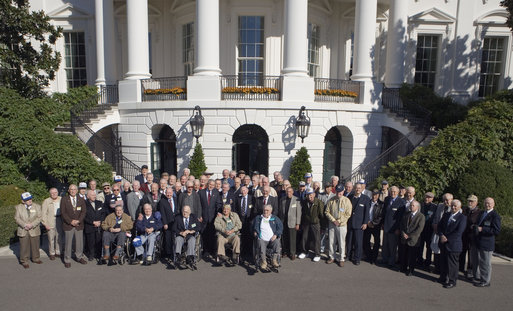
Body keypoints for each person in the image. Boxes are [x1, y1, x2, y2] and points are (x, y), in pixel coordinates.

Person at [438, 199, 467, 288]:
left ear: (459, 207)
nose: (453, 207)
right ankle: (443, 277)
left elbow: (459, 232)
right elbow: (440, 226)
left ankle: (452, 281)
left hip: (454, 244)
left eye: (455, 206)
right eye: (452, 205)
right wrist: (441, 235)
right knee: (443, 261)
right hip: (443, 243)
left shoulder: (462, 218)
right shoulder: (446, 215)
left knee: (452, 264)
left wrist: (447, 238)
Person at [474, 197, 501, 287]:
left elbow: (496, 230)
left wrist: (483, 229)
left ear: (493, 204)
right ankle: (480, 277)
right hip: (479, 241)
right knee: (480, 262)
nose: (487, 205)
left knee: (485, 263)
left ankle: (485, 281)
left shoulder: (495, 216)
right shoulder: (482, 213)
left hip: (487, 243)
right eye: (486, 203)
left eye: (489, 203)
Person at [61, 184, 88, 268]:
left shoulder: (81, 199)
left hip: (79, 224)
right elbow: (63, 212)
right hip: (68, 225)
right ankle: (67, 259)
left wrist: (78, 221)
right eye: (71, 189)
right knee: (68, 243)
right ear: (69, 190)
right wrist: (70, 221)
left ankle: (79, 257)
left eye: (74, 189)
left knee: (79, 242)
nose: (73, 191)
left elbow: (83, 212)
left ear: (77, 190)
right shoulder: (64, 199)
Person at [325, 185, 352, 267]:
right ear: (335, 191)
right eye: (337, 191)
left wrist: (339, 221)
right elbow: (327, 212)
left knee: (341, 242)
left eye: (340, 191)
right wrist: (333, 220)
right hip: (332, 224)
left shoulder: (347, 201)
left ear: (343, 191)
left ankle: (341, 259)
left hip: (342, 225)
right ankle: (332, 257)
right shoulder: (331, 200)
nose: (339, 193)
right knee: (331, 242)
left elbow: (348, 214)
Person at [15, 192, 42, 268]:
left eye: (30, 198)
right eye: (27, 200)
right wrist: (24, 225)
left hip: (34, 229)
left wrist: (32, 225)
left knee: (35, 245)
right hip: (23, 230)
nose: (30, 200)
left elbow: (39, 217)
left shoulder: (37, 206)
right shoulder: (18, 207)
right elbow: (17, 218)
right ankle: (24, 261)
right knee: (24, 247)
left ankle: (36, 258)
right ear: (23, 201)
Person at [381, 186, 406, 267]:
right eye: (391, 191)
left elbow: (401, 218)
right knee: (385, 244)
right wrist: (382, 223)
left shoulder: (401, 202)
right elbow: (384, 212)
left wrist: (398, 228)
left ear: (398, 192)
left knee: (392, 246)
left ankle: (391, 261)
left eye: (395, 191)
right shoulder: (387, 199)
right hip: (386, 225)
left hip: (394, 228)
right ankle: (384, 259)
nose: (393, 193)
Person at [253, 205, 283, 269]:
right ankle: (264, 262)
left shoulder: (275, 218)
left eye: (267, 210)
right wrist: (255, 232)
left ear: (271, 211)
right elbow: (253, 227)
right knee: (260, 244)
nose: (265, 212)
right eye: (264, 210)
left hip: (272, 239)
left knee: (277, 243)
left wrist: (276, 235)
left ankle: (274, 260)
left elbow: (280, 228)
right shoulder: (258, 218)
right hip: (262, 239)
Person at [399, 201, 425, 276]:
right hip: (404, 238)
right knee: (404, 254)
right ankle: (403, 267)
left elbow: (419, 229)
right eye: (411, 205)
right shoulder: (406, 214)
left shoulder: (421, 216)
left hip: (413, 239)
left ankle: (411, 270)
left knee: (412, 256)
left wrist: (409, 235)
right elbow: (402, 225)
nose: (411, 207)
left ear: (417, 207)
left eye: (413, 205)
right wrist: (403, 233)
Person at [347, 183, 370, 265]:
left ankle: (357, 258)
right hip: (350, 223)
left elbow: (367, 212)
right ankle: (348, 256)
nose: (357, 190)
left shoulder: (366, 199)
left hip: (359, 224)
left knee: (358, 243)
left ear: (362, 189)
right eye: (356, 188)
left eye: (359, 188)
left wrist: (365, 223)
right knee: (349, 241)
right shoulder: (349, 197)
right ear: (354, 188)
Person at [298, 188, 324, 262]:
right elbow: (303, 213)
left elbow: (322, 215)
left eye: (311, 195)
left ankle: (317, 254)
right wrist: (302, 223)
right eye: (308, 195)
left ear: (314, 194)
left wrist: (322, 226)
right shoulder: (305, 202)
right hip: (307, 223)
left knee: (316, 239)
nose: (310, 197)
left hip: (315, 223)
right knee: (305, 238)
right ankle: (304, 252)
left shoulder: (319, 202)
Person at [198, 179, 223, 257]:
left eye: (212, 185)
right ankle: (205, 251)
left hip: (213, 218)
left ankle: (213, 250)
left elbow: (218, 204)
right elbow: (199, 205)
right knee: (204, 234)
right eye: (210, 184)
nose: (211, 186)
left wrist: (218, 213)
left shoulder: (216, 193)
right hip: (204, 217)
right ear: (207, 184)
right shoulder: (201, 192)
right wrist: (199, 215)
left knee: (212, 235)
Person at [278, 186, 301, 260]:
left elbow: (299, 213)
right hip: (284, 222)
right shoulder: (283, 199)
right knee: (284, 238)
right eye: (287, 192)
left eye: (290, 192)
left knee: (292, 239)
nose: (288, 193)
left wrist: (298, 223)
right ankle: (285, 252)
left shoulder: (297, 200)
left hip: (292, 222)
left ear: (293, 192)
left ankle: (292, 253)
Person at [432, 193, 453, 274]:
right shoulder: (440, 206)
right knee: (436, 250)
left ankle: (443, 270)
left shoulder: (455, 208)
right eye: (444, 200)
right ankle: (437, 268)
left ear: (451, 199)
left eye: (447, 200)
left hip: (447, 235)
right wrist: (434, 224)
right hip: (437, 231)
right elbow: (436, 217)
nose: (446, 201)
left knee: (444, 253)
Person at [461, 194, 481, 277]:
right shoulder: (464, 209)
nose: (470, 203)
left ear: (476, 202)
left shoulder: (479, 212)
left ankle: (470, 270)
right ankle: (460, 267)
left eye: (472, 201)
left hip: (472, 236)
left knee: (471, 254)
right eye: (469, 201)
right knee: (461, 251)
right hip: (463, 234)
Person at [84, 190, 107, 261]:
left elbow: (103, 213)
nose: (94, 196)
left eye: (94, 195)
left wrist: (100, 221)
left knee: (98, 240)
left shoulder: (99, 203)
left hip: (99, 226)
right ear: (88, 196)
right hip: (90, 226)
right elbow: (84, 216)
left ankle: (98, 254)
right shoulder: (84, 204)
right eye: (92, 195)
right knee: (90, 241)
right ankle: (91, 254)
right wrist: (92, 222)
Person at [233, 186, 254, 260]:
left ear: (247, 191)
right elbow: (235, 209)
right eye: (242, 191)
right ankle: (241, 252)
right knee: (241, 237)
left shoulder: (252, 198)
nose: (243, 192)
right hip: (240, 220)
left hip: (249, 220)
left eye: (244, 190)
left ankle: (249, 252)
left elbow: (253, 210)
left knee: (249, 236)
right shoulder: (238, 198)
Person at [158, 187, 179, 260]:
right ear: (165, 193)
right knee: (168, 239)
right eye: (167, 193)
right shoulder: (162, 201)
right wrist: (165, 223)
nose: (169, 194)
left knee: (175, 238)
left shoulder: (176, 200)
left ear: (172, 193)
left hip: (175, 222)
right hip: (167, 223)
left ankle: (176, 253)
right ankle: (169, 254)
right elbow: (162, 213)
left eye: (170, 193)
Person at [41, 187, 62, 260]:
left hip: (60, 220)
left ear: (58, 192)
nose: (54, 194)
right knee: (51, 238)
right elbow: (43, 214)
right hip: (50, 221)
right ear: (50, 194)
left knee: (59, 237)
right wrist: (45, 224)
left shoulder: (61, 199)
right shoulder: (46, 201)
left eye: (55, 192)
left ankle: (58, 251)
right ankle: (52, 253)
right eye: (52, 193)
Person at [363, 190, 383, 264]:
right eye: (373, 195)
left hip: (376, 226)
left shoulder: (381, 204)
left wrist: (373, 223)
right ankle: (369, 256)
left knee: (376, 242)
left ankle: (374, 258)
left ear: (378, 195)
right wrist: (367, 222)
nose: (374, 196)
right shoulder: (367, 202)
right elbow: (364, 212)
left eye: (376, 195)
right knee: (366, 241)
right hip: (367, 225)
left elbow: (381, 216)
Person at [418, 192, 437, 269]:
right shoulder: (420, 205)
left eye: (429, 197)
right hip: (421, 229)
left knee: (429, 247)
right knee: (420, 246)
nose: (427, 198)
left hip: (429, 229)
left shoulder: (435, 207)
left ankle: (428, 261)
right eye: (426, 197)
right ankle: (419, 260)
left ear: (432, 199)